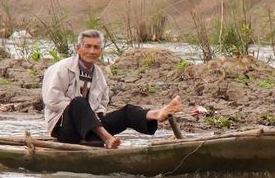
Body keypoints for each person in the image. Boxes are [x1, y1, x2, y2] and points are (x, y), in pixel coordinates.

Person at [41, 29, 182, 148]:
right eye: (87, 46)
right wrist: (85, 112)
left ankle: (156, 114)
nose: (91, 51)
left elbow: (103, 102)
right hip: (65, 131)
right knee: (78, 102)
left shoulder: (98, 74)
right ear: (78, 48)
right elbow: (51, 100)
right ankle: (106, 137)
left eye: (96, 47)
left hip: (90, 128)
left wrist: (94, 116)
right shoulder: (61, 68)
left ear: (101, 50)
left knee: (126, 112)